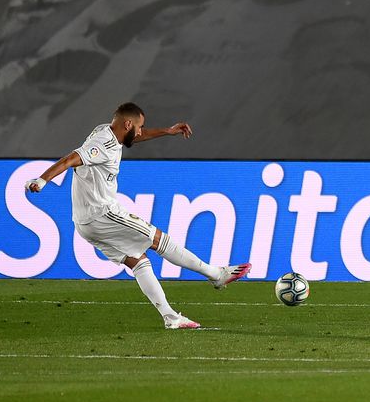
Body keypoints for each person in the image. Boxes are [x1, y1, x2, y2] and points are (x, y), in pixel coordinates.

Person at [24, 102, 251, 329]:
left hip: (85, 222)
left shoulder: (109, 132)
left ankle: (171, 318)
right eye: (140, 126)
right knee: (158, 239)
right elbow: (70, 159)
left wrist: (167, 131)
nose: (142, 131)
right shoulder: (102, 143)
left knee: (138, 261)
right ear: (128, 123)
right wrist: (42, 180)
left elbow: (133, 138)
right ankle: (215, 274)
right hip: (102, 214)